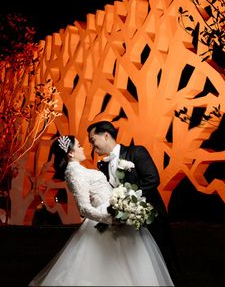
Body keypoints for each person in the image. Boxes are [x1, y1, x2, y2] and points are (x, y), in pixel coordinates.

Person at [28, 135, 174, 286]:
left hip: (113, 210)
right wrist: (111, 219)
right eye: (79, 145)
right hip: (106, 219)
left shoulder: (78, 169)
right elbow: (84, 208)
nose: (83, 147)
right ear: (70, 153)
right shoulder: (74, 172)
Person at [87, 120, 181, 285]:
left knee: (162, 261)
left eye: (93, 140)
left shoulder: (136, 152)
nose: (92, 146)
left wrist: (128, 199)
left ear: (106, 136)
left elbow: (152, 178)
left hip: (151, 217)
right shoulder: (103, 165)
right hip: (127, 223)